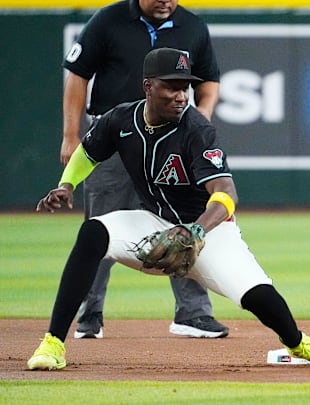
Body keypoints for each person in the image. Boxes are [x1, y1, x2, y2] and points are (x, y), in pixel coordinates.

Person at [27, 48, 310, 370]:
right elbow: (88, 152)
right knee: (93, 232)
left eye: (185, 88)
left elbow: (225, 191)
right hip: (153, 224)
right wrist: (67, 184)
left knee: (257, 296)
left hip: (208, 230)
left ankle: (299, 343)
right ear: (148, 87)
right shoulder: (121, 119)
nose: (181, 96)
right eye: (172, 87)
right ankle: (52, 344)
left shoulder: (197, 129)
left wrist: (196, 231)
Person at [61, 0, 227, 339]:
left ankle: (192, 314)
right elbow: (78, 75)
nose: (165, 0)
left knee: (182, 222)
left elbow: (208, 81)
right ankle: (90, 314)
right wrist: (70, 134)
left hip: (173, 140)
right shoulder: (108, 20)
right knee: (101, 227)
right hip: (114, 136)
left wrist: (202, 116)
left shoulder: (193, 26)